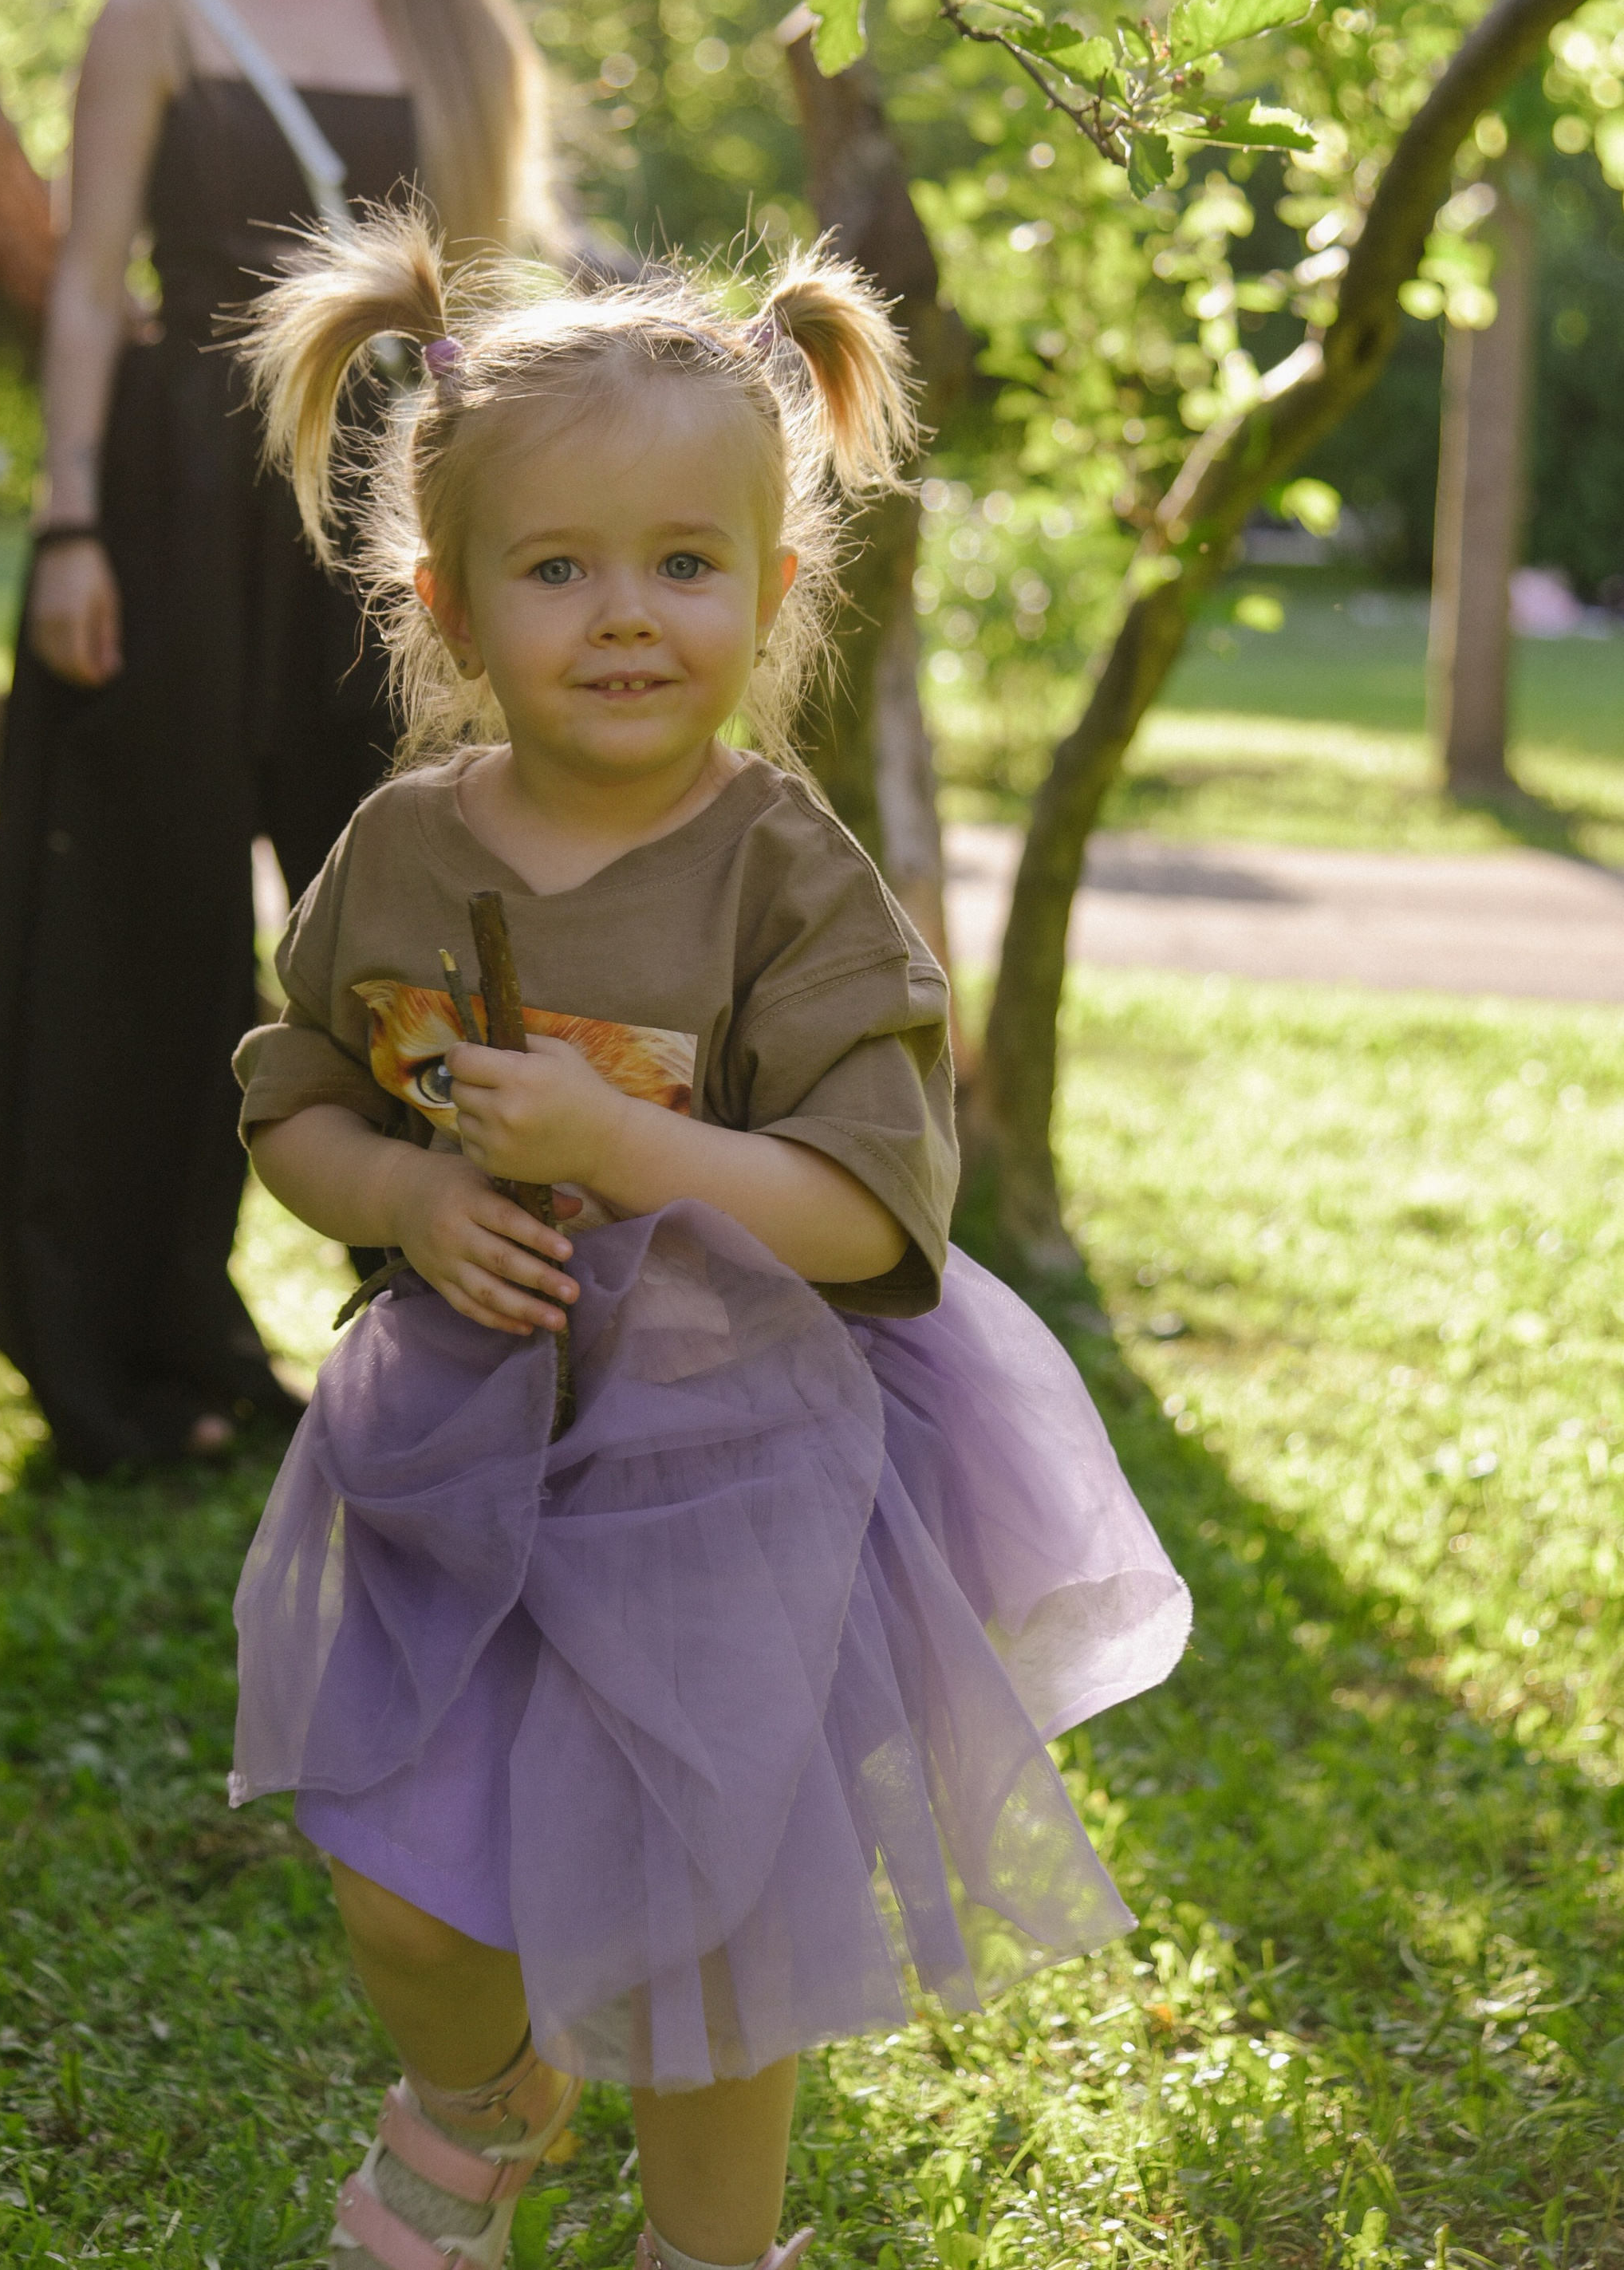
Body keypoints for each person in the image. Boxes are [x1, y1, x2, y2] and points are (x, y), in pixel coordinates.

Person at [223, 213, 1192, 2270]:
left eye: (684, 562)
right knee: (395, 1870)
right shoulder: (399, 849)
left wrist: (622, 1145)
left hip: (725, 1455)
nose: (626, 614)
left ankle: (709, 2248)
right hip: (452, 1440)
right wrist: (398, 1191)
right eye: (556, 567)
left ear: (770, 586)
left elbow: (867, 1209)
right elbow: (294, 1092)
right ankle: (484, 2101)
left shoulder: (778, 869)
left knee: (708, 1925)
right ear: (449, 602)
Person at [0, 0, 544, 1477]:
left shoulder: (455, 34)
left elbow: (492, 310)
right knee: (141, 927)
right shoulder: (155, 13)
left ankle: (455, 1335)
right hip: (163, 505)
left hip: (381, 528)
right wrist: (67, 516)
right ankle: (134, 1343)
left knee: (405, 933)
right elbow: (86, 292)